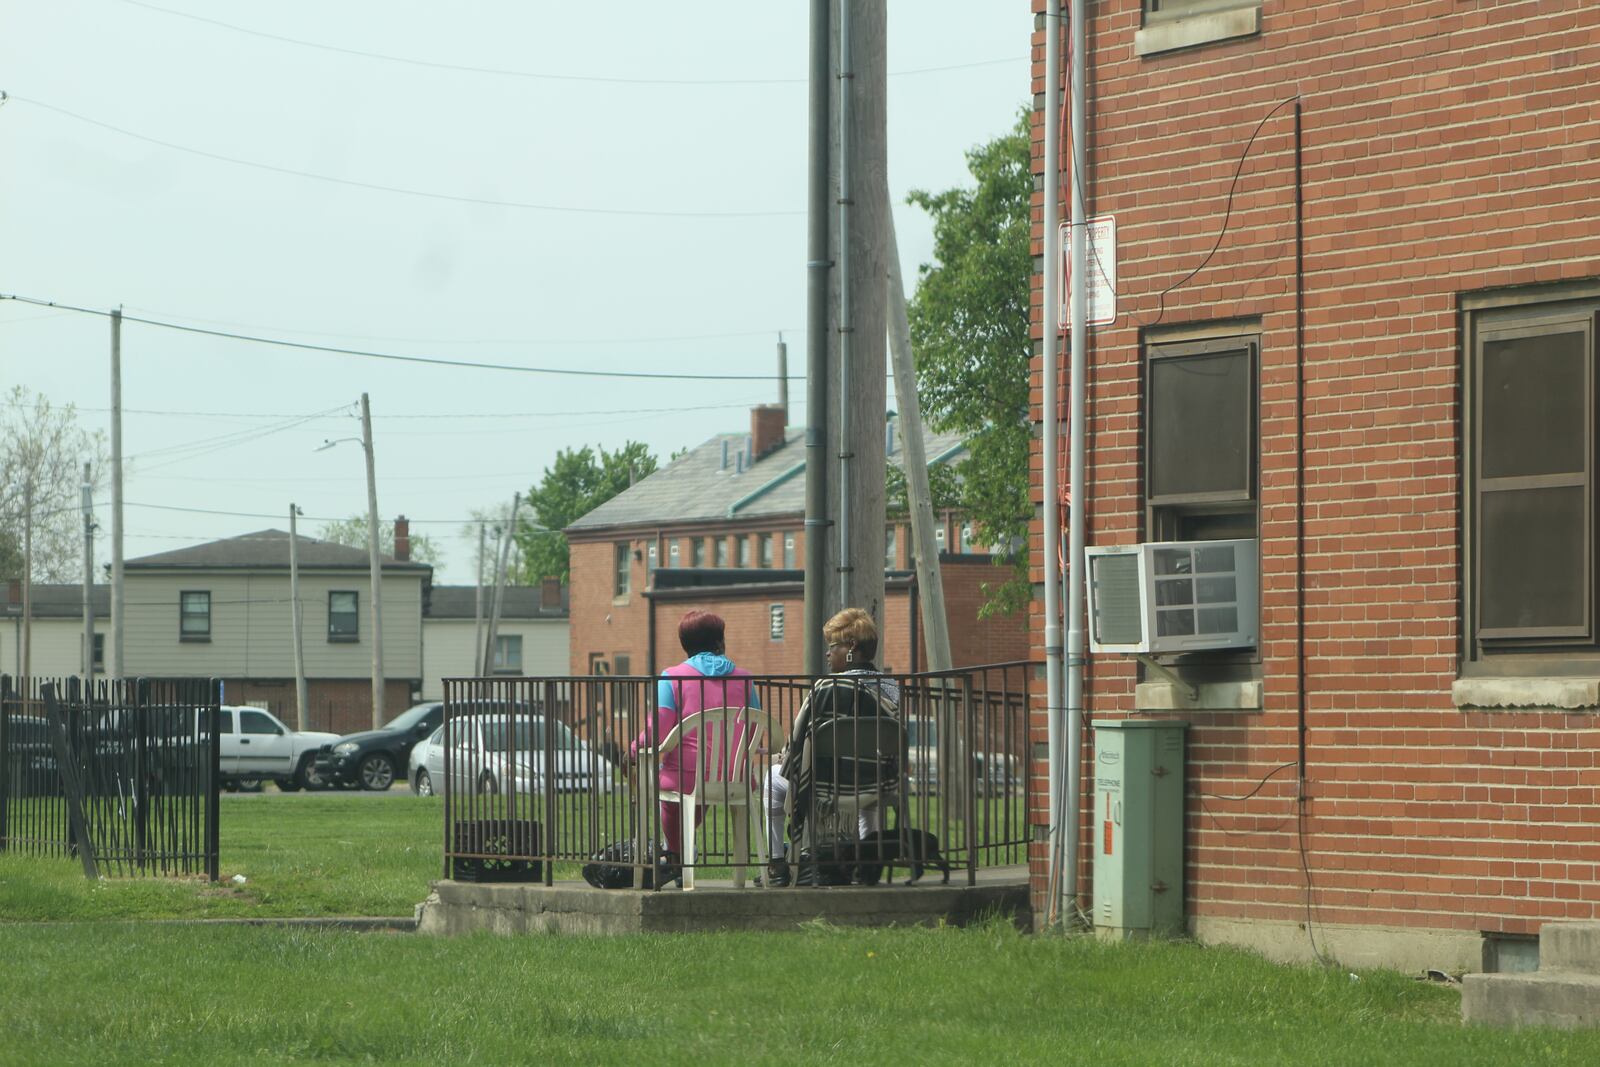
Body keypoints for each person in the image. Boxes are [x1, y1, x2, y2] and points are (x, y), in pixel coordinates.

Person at [767, 607, 901, 887]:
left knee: (771, 781)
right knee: (867, 799)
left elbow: (800, 740)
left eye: (833, 646)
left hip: (825, 784)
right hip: (877, 780)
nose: (828, 654)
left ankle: (777, 864)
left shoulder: (826, 688)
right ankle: (867, 864)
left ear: (852, 647)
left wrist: (786, 756)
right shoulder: (891, 687)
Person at [627, 610, 758, 859]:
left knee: (673, 795)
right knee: (703, 787)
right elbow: (756, 726)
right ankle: (681, 853)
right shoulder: (745, 679)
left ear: (685, 646)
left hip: (686, 777)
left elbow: (659, 730)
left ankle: (676, 855)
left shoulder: (671, 677)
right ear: (720, 642)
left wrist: (634, 749)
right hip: (735, 776)